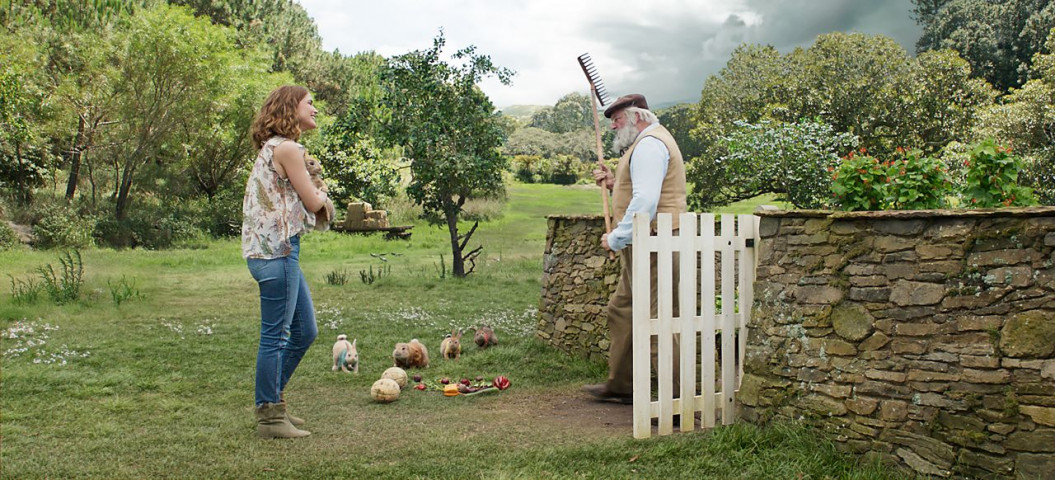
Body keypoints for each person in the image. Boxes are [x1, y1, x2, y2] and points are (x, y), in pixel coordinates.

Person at [583, 93, 687, 406]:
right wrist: (615, 183)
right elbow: (639, 190)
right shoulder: (645, 144)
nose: (613, 126)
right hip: (646, 242)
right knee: (622, 309)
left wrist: (616, 237)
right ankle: (621, 385)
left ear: (636, 116)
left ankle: (678, 399)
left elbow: (646, 202)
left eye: (616, 119)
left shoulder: (650, 145)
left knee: (659, 321)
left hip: (655, 243)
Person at [242, 85, 330, 439]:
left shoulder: (275, 148)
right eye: (310, 103)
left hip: (276, 252)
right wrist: (322, 190)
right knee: (276, 336)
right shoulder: (289, 148)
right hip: (278, 252)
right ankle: (270, 416)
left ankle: (272, 402)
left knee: (305, 330)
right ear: (291, 107)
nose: (315, 110)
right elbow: (312, 202)